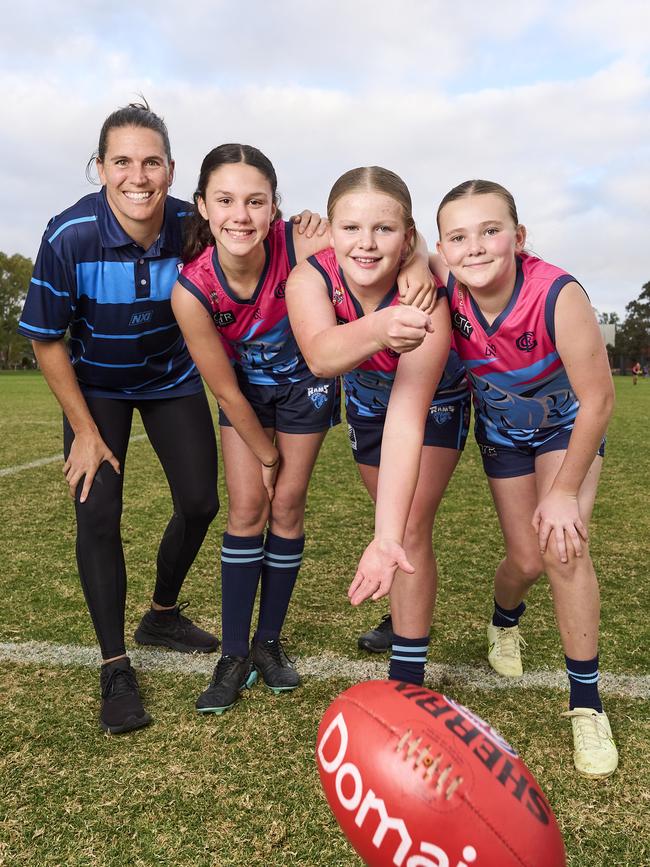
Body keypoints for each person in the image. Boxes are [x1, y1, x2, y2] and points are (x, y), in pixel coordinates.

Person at [352, 179, 618, 780]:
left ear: (518, 238)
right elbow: (404, 252)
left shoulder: (558, 293)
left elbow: (599, 400)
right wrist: (411, 257)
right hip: (502, 431)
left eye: (491, 231)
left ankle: (586, 704)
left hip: (567, 428)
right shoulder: (443, 282)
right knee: (524, 558)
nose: (476, 248)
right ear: (444, 246)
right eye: (460, 236)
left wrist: (565, 490)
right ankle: (505, 621)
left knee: (563, 549)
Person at [173, 148, 437, 715]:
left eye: (255, 202)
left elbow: (382, 242)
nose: (241, 215)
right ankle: (234, 653)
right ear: (202, 207)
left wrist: (417, 264)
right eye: (224, 201)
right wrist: (264, 454)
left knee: (287, 506)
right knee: (246, 507)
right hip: (245, 398)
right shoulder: (191, 291)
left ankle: (268, 645)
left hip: (302, 390)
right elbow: (223, 390)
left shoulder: (303, 242)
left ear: (275, 210)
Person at [17, 101, 229, 734]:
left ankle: (161, 613)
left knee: (199, 504)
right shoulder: (69, 235)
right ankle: (115, 664)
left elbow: (268, 236)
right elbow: (46, 337)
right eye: (122, 162)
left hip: (171, 378)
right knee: (99, 511)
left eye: (152, 162)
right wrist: (84, 429)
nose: (138, 177)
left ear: (170, 168)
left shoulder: (195, 225)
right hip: (97, 389)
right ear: (101, 168)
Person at [286, 166, 467, 688]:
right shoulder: (310, 278)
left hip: (432, 406)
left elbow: (408, 418)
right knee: (395, 518)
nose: (365, 244)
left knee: (407, 526)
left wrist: (385, 537)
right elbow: (321, 356)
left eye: (384, 230)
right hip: (366, 407)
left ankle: (407, 677)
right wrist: (380, 327)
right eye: (350, 228)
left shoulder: (423, 296)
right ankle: (402, 616)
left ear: (407, 235)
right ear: (332, 229)